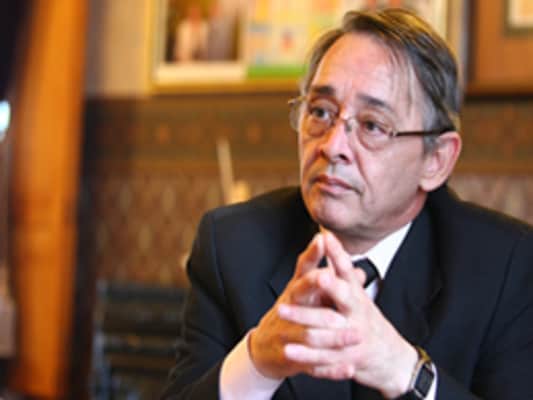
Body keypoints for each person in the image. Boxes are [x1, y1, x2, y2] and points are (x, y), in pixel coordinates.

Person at [161, 8, 533, 400]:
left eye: (372, 125)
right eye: (320, 112)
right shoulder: (232, 245)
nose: (332, 146)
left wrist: (405, 371)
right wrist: (257, 362)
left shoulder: (506, 267)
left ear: (436, 160)